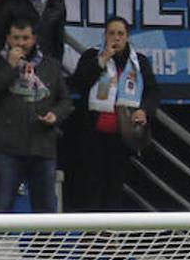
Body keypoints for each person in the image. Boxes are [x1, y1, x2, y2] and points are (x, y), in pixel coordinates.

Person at [0, 17, 72, 213]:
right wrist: (10, 68)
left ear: (34, 38)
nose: (20, 43)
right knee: (1, 208)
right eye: (16, 38)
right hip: (7, 149)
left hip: (42, 147)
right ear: (8, 38)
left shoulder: (51, 65)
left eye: (25, 38)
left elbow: (65, 101)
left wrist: (55, 115)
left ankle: (45, 245)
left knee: (46, 210)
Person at [68, 16, 160, 212]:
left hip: (122, 135)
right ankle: (92, 239)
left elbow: (153, 91)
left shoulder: (138, 61)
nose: (116, 38)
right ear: (104, 36)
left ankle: (111, 238)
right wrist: (102, 61)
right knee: (91, 186)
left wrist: (144, 110)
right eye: (111, 34)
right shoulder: (92, 56)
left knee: (115, 188)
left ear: (127, 37)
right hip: (93, 134)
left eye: (120, 34)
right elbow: (79, 82)